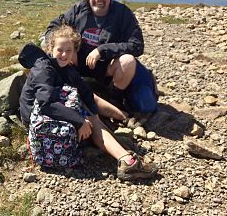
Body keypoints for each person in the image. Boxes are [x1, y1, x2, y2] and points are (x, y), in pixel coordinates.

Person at [19, 25, 158, 181]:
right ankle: (126, 161)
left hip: (53, 105)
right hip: (36, 116)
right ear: (51, 48)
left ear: (75, 51)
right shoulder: (43, 68)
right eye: (60, 50)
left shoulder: (65, 67)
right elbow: (46, 104)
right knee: (89, 118)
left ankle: (125, 118)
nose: (64, 54)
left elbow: (84, 91)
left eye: (69, 50)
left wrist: (93, 113)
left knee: (88, 102)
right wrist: (80, 121)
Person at [44, 0, 157, 115]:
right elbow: (54, 26)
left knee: (127, 61)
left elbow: (137, 45)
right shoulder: (79, 10)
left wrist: (102, 50)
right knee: (61, 48)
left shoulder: (122, 14)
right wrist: (51, 45)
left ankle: (115, 98)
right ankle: (65, 87)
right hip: (79, 64)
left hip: (107, 68)